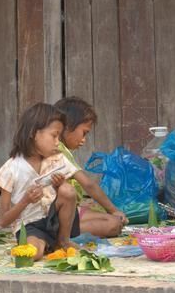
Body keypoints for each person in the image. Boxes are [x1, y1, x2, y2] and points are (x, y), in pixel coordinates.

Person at [0, 103, 81, 260]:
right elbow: (3, 221)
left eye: (59, 137)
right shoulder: (10, 169)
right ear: (34, 134)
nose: (57, 142)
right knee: (33, 253)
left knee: (67, 190)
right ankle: (41, 245)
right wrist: (25, 201)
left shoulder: (57, 160)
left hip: (56, 221)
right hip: (31, 226)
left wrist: (58, 185)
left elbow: (68, 196)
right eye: (54, 136)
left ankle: (63, 241)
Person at [54, 97, 128, 238]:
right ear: (67, 126)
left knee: (113, 221)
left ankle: (60, 231)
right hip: (52, 215)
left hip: (67, 210)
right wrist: (113, 210)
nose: (84, 139)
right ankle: (56, 234)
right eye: (84, 132)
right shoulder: (57, 152)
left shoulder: (61, 150)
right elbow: (88, 184)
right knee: (112, 225)